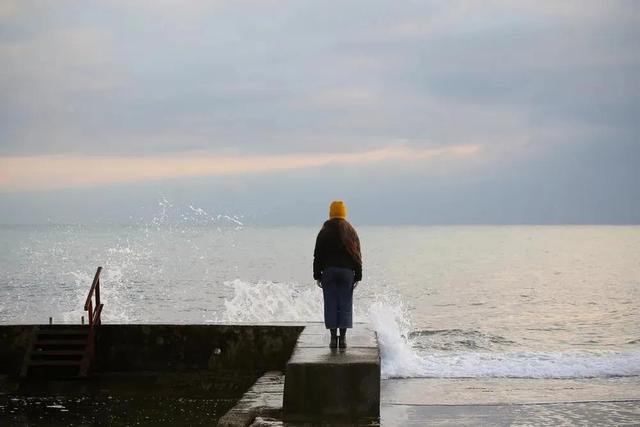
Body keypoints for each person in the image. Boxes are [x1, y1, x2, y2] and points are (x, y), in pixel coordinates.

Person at [313, 200, 362, 349]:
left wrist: (317, 275)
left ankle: (334, 339)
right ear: (344, 213)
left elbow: (318, 255)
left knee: (331, 304)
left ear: (330, 213)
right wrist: (358, 275)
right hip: (347, 273)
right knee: (345, 304)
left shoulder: (324, 231)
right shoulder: (351, 231)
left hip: (329, 272)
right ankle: (344, 338)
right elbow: (357, 255)